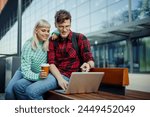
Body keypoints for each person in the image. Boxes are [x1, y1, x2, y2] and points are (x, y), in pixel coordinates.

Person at [48, 9, 95, 90]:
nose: (64, 30)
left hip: (71, 77)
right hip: (55, 75)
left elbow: (90, 60)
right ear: (55, 25)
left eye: (67, 26)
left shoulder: (80, 38)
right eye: (61, 26)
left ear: (70, 24)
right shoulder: (52, 40)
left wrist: (88, 65)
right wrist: (60, 79)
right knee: (22, 87)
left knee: (32, 91)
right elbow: (51, 63)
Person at [5, 19, 51, 100]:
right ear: (36, 30)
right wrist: (38, 76)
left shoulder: (48, 43)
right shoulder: (28, 45)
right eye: (43, 30)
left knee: (19, 86)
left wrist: (56, 33)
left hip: (39, 73)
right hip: (24, 71)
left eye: (48, 31)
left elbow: (59, 31)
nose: (46, 33)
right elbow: (25, 71)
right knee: (9, 92)